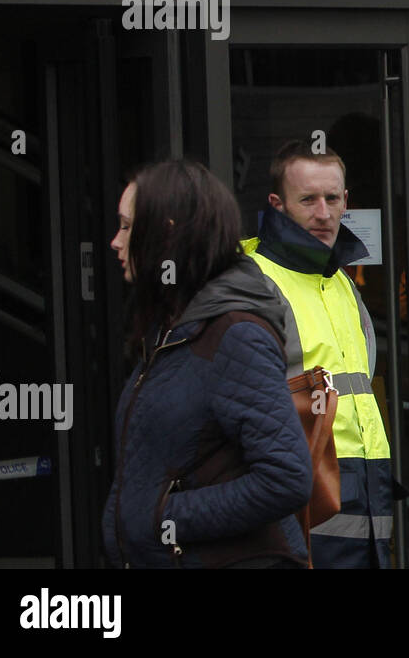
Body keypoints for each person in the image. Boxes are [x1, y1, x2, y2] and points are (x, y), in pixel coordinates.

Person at [102, 160, 312, 568]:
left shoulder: (234, 333)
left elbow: (285, 480)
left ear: (167, 232)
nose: (114, 241)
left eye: (127, 226)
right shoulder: (172, 328)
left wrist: (160, 519)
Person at [243, 139, 393, 568]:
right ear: (277, 204)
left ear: (346, 201)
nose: (323, 213)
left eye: (332, 198)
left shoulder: (342, 280)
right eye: (307, 199)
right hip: (303, 486)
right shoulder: (254, 279)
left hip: (367, 484)